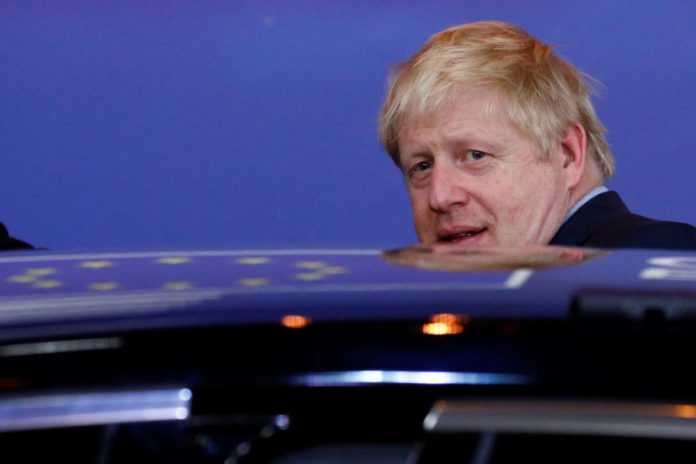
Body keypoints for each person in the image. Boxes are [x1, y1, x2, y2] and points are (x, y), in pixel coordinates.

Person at [379, 21, 696, 250]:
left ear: (568, 154)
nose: (440, 197)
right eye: (422, 166)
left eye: (475, 155)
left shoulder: (653, 256)